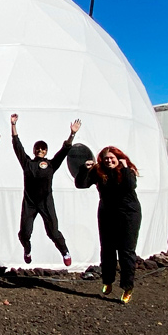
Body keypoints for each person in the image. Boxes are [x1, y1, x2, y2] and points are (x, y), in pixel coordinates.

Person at [11, 113, 81, 266]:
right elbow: (17, 147)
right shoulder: (27, 163)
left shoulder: (51, 165)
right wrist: (13, 126)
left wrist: (72, 134)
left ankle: (64, 251)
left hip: (45, 202)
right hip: (30, 202)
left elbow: (64, 151)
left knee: (53, 232)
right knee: (24, 232)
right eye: (38, 148)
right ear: (34, 150)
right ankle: (27, 249)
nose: (40, 151)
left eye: (43, 149)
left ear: (46, 151)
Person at [75, 146, 142, 304]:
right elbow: (81, 184)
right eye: (106, 159)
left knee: (126, 251)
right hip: (107, 213)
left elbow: (130, 185)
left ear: (119, 158)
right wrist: (84, 169)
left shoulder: (127, 171)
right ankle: (107, 280)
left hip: (128, 214)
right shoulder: (99, 172)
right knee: (107, 248)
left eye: (112, 158)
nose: (109, 161)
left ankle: (127, 287)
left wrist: (125, 168)